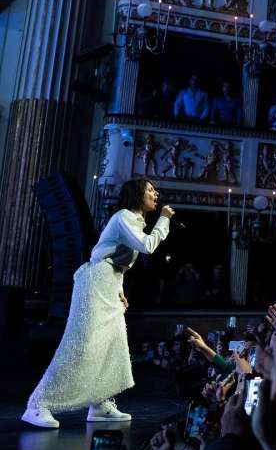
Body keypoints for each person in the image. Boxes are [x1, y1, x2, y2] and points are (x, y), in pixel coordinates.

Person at [22, 178, 175, 428]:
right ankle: (37, 404)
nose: (155, 194)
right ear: (137, 194)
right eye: (150, 190)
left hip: (109, 282)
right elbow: (147, 246)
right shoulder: (124, 216)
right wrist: (165, 219)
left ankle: (100, 403)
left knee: (112, 345)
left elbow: (118, 264)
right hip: (95, 283)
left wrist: (119, 291)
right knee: (82, 343)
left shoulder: (134, 220)